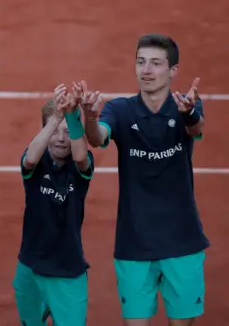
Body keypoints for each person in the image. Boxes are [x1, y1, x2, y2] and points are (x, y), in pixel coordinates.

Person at [79, 34, 209, 326]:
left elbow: (196, 128)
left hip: (182, 242)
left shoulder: (185, 106)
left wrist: (188, 114)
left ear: (173, 70)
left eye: (155, 63)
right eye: (140, 62)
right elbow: (97, 137)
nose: (146, 70)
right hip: (134, 244)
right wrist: (88, 117)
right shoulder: (119, 110)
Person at [13, 84, 95, 326]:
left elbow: (80, 156)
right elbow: (29, 158)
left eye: (68, 131)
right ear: (44, 131)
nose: (60, 138)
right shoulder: (36, 162)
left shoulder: (81, 165)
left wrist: (71, 116)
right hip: (31, 268)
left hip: (68, 272)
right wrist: (57, 117)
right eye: (54, 131)